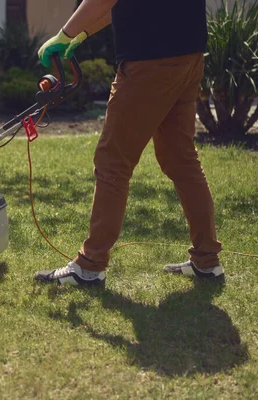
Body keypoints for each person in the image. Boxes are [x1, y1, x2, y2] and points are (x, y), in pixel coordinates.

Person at [34, 0, 224, 288]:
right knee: (181, 159)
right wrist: (82, 34)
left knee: (113, 161)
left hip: (149, 61)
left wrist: (65, 33)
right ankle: (207, 261)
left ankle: (89, 266)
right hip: (188, 55)